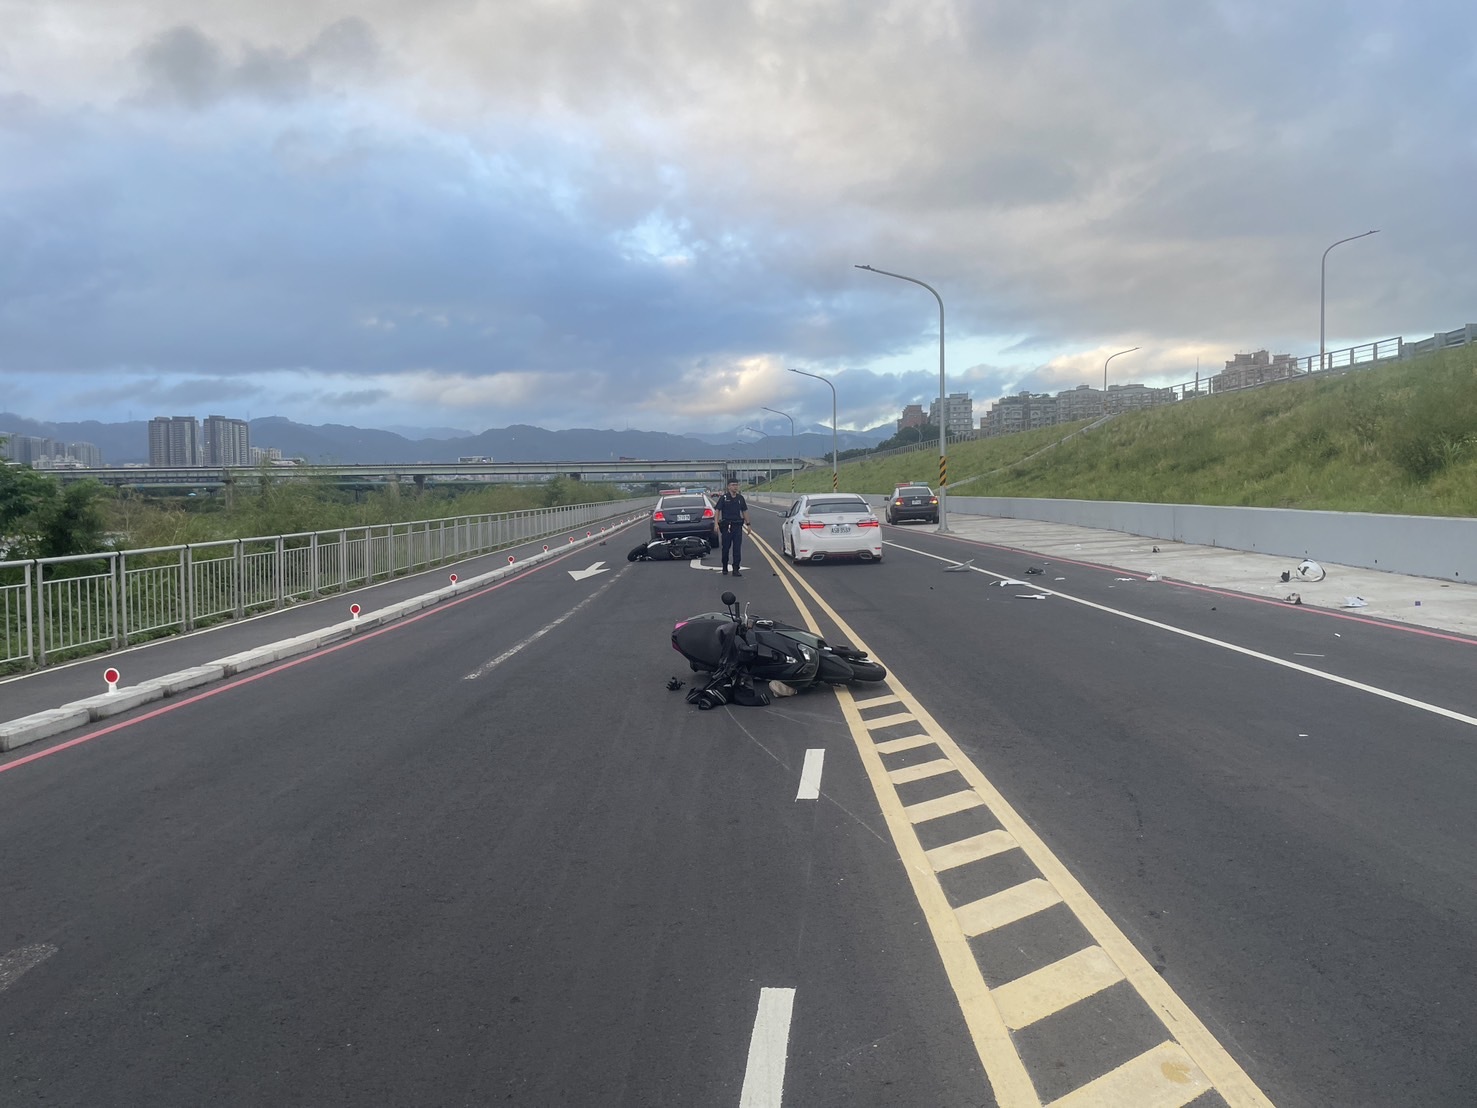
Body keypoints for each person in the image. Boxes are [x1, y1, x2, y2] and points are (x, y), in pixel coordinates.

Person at [713, 478, 750, 576]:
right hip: (727, 527)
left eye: (736, 485)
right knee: (725, 548)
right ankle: (725, 566)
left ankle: (736, 569)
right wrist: (716, 524)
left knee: (737, 549)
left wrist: (748, 524)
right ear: (728, 487)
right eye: (733, 485)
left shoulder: (740, 498)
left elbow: (744, 511)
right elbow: (717, 510)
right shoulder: (724, 498)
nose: (735, 487)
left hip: (737, 526)